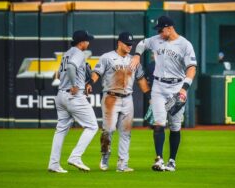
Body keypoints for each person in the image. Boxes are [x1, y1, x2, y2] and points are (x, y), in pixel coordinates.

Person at [130, 16, 197, 171]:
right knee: (158, 123)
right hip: (159, 86)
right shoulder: (156, 40)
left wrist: (184, 89)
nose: (159, 32)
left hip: (177, 86)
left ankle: (172, 161)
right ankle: (159, 159)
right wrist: (137, 55)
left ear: (170, 28)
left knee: (175, 125)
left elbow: (192, 68)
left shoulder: (185, 45)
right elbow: (142, 43)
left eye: (161, 29)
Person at [86, 32, 151, 172]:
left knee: (126, 132)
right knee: (108, 130)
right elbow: (97, 72)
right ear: (119, 43)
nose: (129, 46)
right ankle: (105, 155)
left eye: (131, 44)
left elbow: (141, 80)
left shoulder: (134, 60)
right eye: (127, 44)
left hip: (128, 98)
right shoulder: (107, 57)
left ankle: (123, 164)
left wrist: (150, 96)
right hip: (111, 98)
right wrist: (90, 82)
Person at [48, 30, 99, 173]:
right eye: (87, 40)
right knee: (92, 126)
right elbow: (71, 67)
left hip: (61, 96)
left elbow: (58, 73)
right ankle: (75, 157)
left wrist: (80, 77)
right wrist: (74, 84)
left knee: (61, 130)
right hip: (73, 96)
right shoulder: (78, 53)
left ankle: (53, 164)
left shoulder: (67, 53)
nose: (88, 42)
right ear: (81, 42)